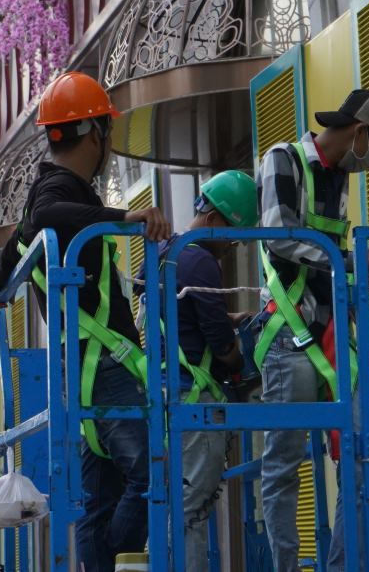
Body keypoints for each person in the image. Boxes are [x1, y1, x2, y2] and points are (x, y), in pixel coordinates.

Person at [0, 71, 171, 572]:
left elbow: (18, 242)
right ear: (95, 134)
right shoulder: (59, 193)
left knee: (101, 498)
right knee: (156, 475)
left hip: (86, 364)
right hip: (102, 364)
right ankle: (117, 556)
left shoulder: (51, 191)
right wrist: (124, 218)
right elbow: (45, 220)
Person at [255, 88, 369, 572]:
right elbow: (278, 236)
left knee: (362, 453)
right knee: (283, 464)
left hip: (334, 331)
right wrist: (351, 259)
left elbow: (325, 257)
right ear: (360, 132)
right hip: (289, 332)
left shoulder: (338, 178)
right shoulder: (284, 159)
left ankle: (342, 566)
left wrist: (358, 265)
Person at [158, 170, 257, 572]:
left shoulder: (167, 252)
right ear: (216, 218)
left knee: (174, 507)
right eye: (233, 237)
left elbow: (182, 318)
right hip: (194, 399)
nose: (231, 248)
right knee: (191, 512)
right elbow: (220, 345)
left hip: (168, 391)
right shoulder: (200, 259)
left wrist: (226, 316)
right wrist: (238, 361)